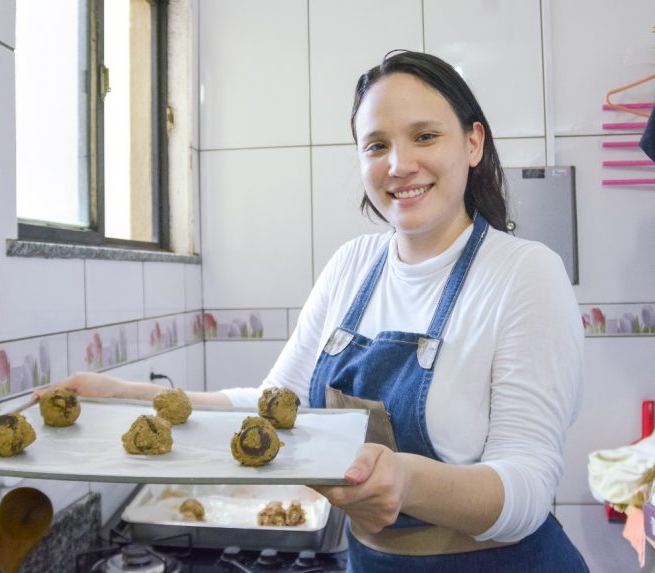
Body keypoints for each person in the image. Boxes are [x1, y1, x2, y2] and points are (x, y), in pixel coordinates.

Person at [38, 50, 587, 572]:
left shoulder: (524, 274)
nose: (399, 164)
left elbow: (528, 488)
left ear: (472, 142)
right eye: (375, 146)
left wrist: (408, 481)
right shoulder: (352, 266)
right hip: (369, 563)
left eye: (424, 136)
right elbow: (277, 407)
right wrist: (129, 396)